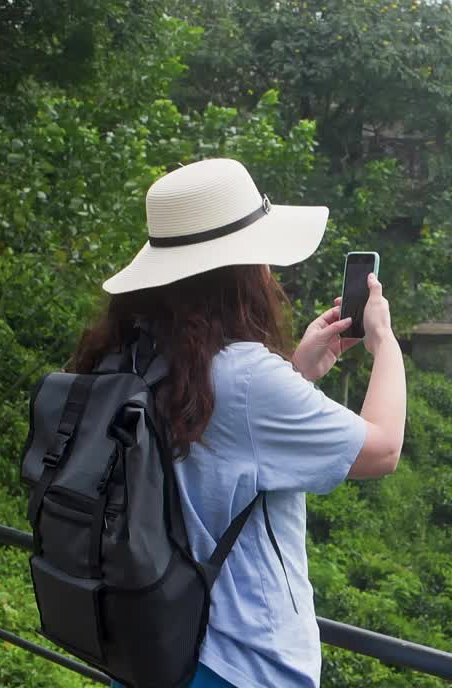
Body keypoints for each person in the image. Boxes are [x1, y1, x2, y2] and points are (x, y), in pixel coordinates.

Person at [77, 158, 406, 688]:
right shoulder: (243, 376)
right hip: (241, 663)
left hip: (149, 647)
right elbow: (383, 450)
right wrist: (384, 340)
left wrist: (296, 373)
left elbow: (206, 444)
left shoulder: (132, 353)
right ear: (240, 274)